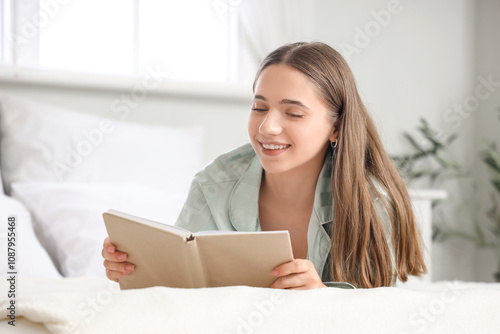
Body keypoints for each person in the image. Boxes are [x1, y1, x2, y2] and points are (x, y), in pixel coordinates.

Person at [102, 41, 426, 289]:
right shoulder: (212, 186)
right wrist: (136, 269)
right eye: (259, 108)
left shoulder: (370, 203)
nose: (267, 127)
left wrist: (323, 299)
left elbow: (383, 313)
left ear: (336, 128)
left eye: (293, 113)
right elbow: (180, 284)